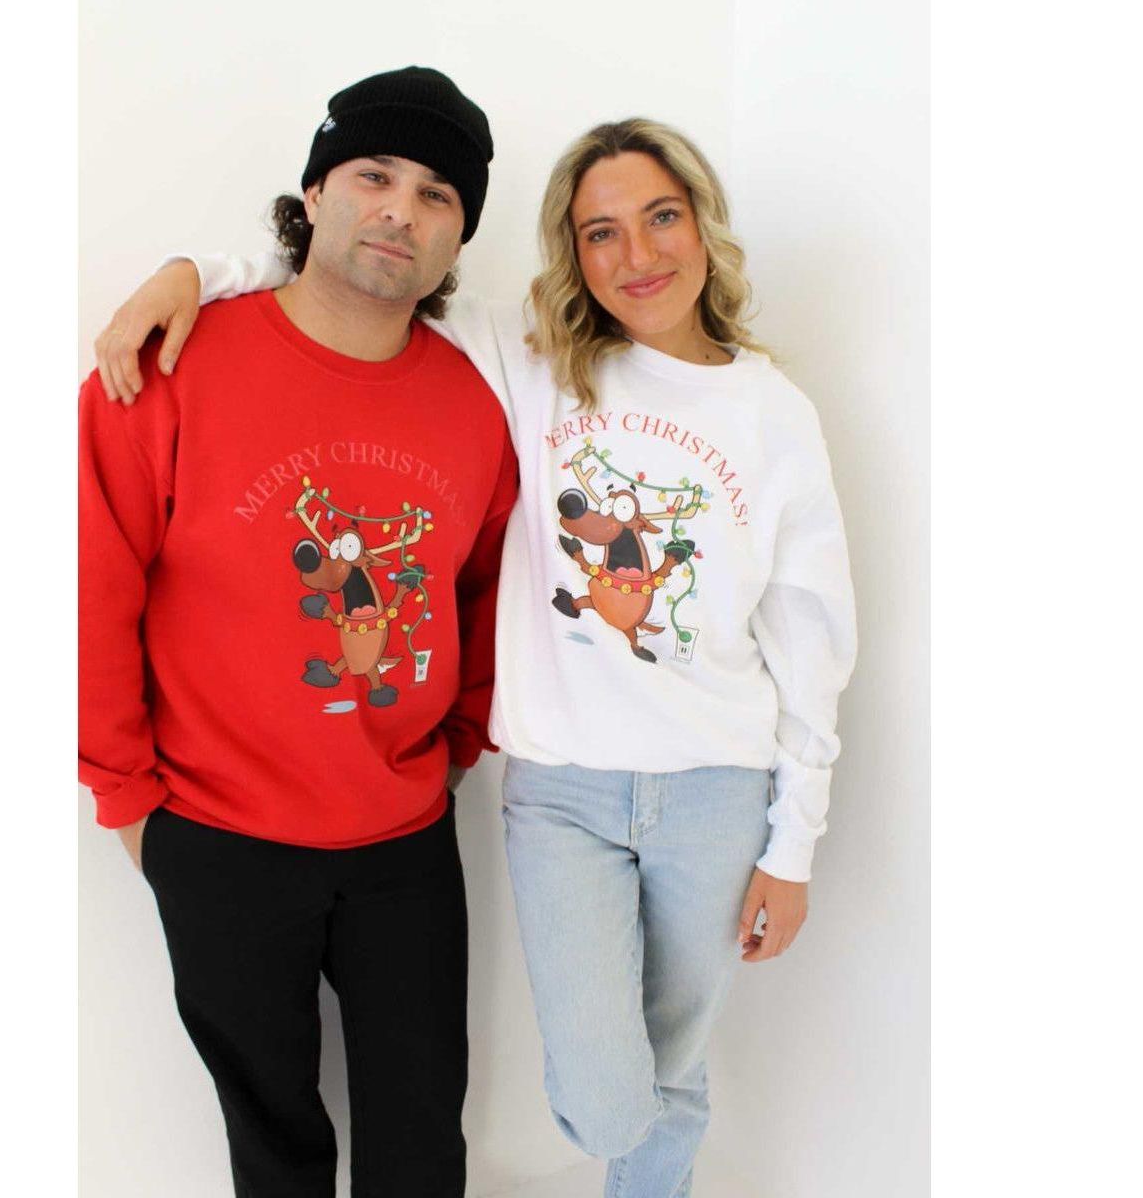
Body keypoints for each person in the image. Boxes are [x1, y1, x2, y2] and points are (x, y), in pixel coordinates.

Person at [96, 117, 857, 1198]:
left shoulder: (772, 411)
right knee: (604, 1095)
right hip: (552, 794)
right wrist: (197, 272)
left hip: (711, 786)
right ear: (571, 252)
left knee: (668, 1070)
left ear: (703, 226)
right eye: (600, 232)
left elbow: (811, 636)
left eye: (661, 217)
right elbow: (360, 270)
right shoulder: (534, 362)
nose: (638, 254)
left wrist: (795, 839)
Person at [80, 65, 518, 1198]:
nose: (399, 211)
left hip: (405, 837)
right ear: (314, 192)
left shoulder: (482, 401)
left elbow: (487, 589)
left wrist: (459, 739)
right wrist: (129, 800)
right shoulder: (169, 366)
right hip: (216, 833)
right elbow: (92, 587)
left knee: (422, 1144)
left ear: (458, 235)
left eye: (435, 195)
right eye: (374, 174)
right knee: (273, 1147)